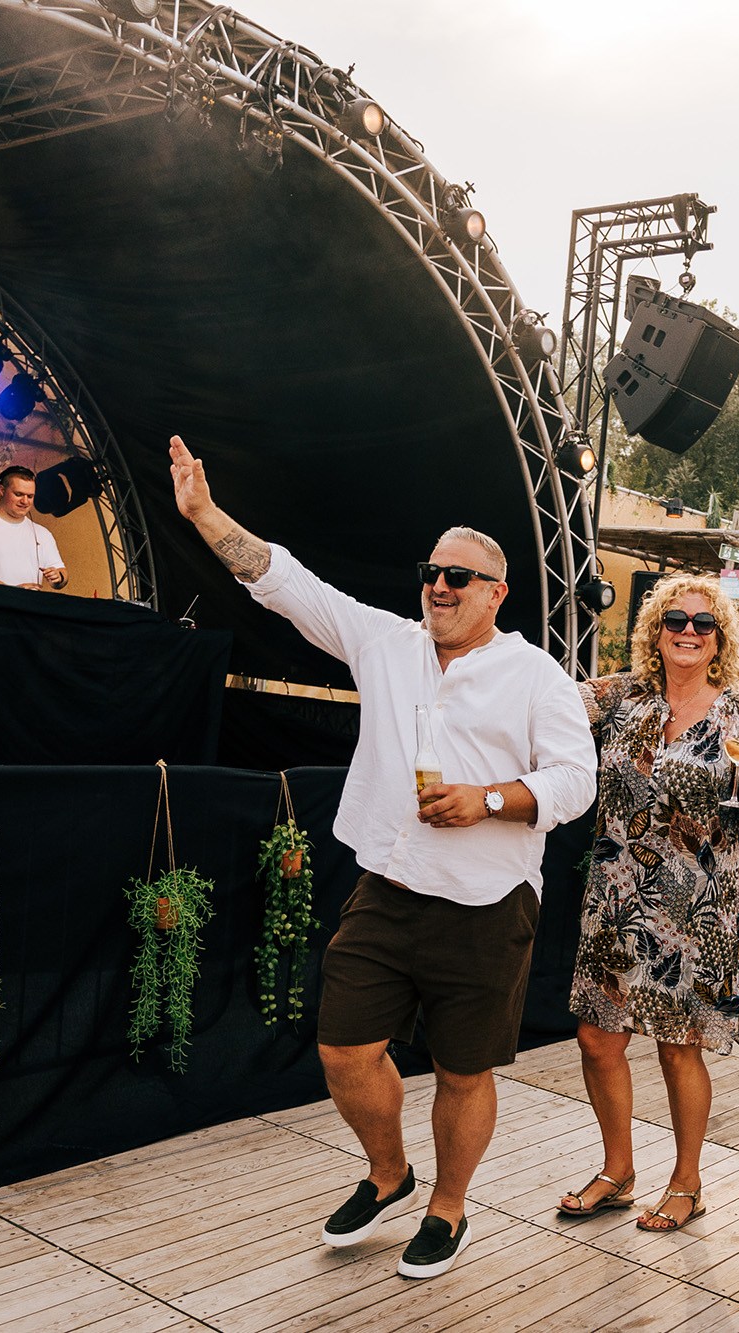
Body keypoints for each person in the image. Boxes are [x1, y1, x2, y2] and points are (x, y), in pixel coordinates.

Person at [166, 436, 596, 1280]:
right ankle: (390, 1172)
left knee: (463, 1071)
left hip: (486, 900)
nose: (439, 584)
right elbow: (285, 582)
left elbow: (576, 780)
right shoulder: (386, 643)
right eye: (432, 571)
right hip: (389, 886)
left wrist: (489, 798)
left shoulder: (535, 674)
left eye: (459, 575)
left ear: (497, 593)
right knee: (343, 1050)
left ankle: (448, 1206)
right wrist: (204, 513)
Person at [557, 574, 739, 1234]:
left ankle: (688, 1182)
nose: (688, 631)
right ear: (655, 631)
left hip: (698, 914)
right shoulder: (621, 697)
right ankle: (618, 1172)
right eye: (675, 620)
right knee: (597, 1038)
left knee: (677, 1048)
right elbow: (541, 702)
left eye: (703, 623)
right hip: (618, 901)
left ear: (719, 640)